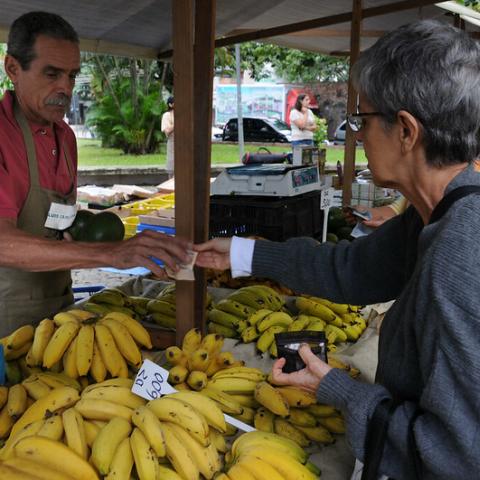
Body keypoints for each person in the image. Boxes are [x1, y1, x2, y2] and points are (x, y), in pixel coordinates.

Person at [195, 20, 480, 479]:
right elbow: (353, 268)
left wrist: (338, 390)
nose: (356, 136)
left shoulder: (462, 250)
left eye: (361, 120)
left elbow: (456, 454)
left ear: (406, 131)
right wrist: (243, 255)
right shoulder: (440, 213)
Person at [0, 12, 190, 336]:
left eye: (72, 75)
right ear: (13, 69)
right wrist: (111, 253)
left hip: (58, 309)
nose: (65, 88)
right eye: (52, 74)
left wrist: (87, 230)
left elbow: (54, 220)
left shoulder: (65, 137)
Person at [161, 96, 174, 178]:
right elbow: (167, 130)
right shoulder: (167, 115)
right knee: (172, 166)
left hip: (184, 143)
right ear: (170, 104)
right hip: (172, 142)